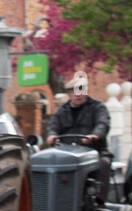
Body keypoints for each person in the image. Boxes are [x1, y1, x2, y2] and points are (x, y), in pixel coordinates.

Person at [47, 74, 112, 203]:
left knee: (103, 163)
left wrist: (94, 136)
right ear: (69, 94)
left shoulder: (98, 107)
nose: (78, 94)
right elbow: (53, 127)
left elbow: (102, 123)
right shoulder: (61, 111)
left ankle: (98, 202)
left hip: (93, 151)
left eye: (81, 90)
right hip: (66, 153)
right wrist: (51, 136)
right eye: (74, 91)